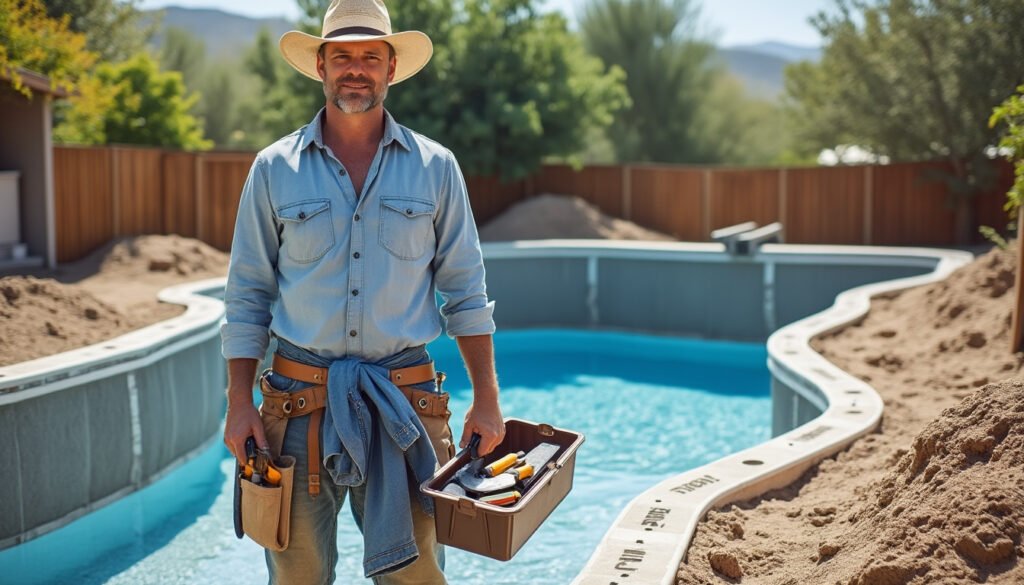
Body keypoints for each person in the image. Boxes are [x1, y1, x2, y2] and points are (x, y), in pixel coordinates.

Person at [220, 0, 504, 582]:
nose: (356, 68)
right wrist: (239, 401)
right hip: (295, 411)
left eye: (371, 56)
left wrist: (487, 398)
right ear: (320, 66)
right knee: (296, 576)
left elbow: (466, 292)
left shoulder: (436, 167)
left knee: (415, 576)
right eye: (342, 56)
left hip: (407, 409)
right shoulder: (273, 168)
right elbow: (247, 293)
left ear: (391, 68)